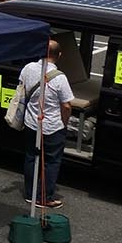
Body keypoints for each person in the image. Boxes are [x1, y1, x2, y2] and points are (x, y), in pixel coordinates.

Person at [18, 40, 74, 208]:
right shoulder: (60, 78)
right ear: (59, 55)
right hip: (51, 127)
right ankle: (45, 197)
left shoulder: (27, 68)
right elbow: (66, 105)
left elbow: (21, 89)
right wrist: (64, 123)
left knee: (31, 157)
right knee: (51, 161)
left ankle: (29, 193)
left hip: (30, 122)